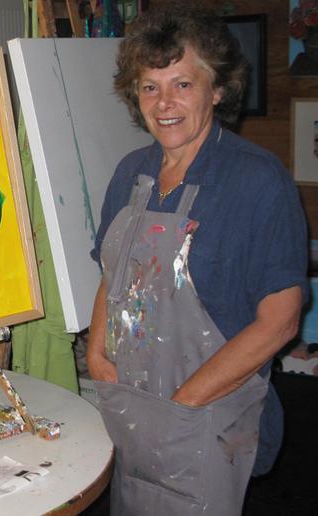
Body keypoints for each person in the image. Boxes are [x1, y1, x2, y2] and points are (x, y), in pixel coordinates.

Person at [87, 4, 309, 515]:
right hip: (132, 406)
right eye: (150, 86)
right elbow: (110, 275)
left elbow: (280, 323)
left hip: (209, 416)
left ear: (218, 89)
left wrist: (183, 407)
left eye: (183, 84)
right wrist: (100, 359)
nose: (164, 102)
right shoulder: (129, 174)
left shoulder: (257, 182)